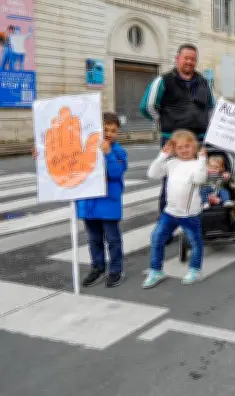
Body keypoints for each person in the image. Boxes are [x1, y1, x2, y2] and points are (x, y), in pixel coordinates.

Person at [34, 113, 129, 287]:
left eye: (113, 131)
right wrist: (41, 156)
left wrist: (108, 154)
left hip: (108, 204)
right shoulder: (82, 148)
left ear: (118, 133)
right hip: (88, 203)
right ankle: (98, 267)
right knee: (93, 239)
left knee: (113, 239)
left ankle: (116, 269)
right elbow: (62, 162)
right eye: (105, 129)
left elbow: (116, 174)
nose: (108, 133)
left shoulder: (119, 152)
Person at [140, 43, 215, 215]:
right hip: (173, 140)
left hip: (198, 139)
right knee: (170, 181)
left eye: (193, 59)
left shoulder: (205, 82)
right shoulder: (163, 80)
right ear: (177, 59)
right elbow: (147, 106)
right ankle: (167, 225)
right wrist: (164, 121)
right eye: (186, 58)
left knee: (198, 180)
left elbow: (212, 108)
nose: (189, 62)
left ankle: (196, 221)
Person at [143, 130, 207, 288]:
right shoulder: (171, 163)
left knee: (195, 242)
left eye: (187, 146)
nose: (184, 150)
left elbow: (199, 179)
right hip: (170, 211)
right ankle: (156, 270)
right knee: (157, 238)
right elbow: (152, 174)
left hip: (190, 214)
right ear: (174, 149)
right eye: (180, 147)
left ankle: (194, 269)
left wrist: (202, 159)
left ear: (194, 146)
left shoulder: (198, 164)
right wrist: (163, 155)